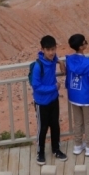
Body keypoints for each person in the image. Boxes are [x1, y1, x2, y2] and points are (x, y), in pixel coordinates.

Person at [32, 35, 68, 165]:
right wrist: (54, 87)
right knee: (42, 128)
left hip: (53, 99)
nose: (51, 52)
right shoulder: (38, 66)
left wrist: (60, 62)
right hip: (42, 102)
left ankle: (56, 150)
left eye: (53, 49)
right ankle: (40, 152)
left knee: (55, 125)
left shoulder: (53, 59)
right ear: (42, 50)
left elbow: (55, 58)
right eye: (48, 50)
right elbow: (36, 86)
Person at [65, 34, 89, 156]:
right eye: (85, 42)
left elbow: (68, 79)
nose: (86, 43)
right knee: (88, 122)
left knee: (78, 122)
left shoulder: (69, 60)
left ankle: (77, 145)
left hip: (74, 96)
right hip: (86, 98)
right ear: (81, 47)